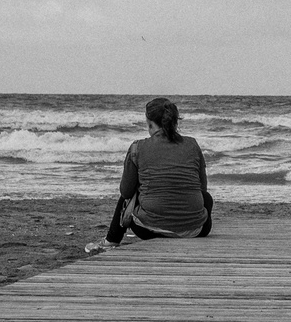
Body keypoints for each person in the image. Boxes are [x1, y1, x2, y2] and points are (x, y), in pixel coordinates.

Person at [85, 98, 212, 252]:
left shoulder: (137, 148)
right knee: (206, 198)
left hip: (150, 230)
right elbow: (202, 188)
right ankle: (183, 223)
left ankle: (111, 240)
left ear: (150, 123)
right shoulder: (192, 144)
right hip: (197, 230)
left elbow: (125, 192)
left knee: (127, 197)